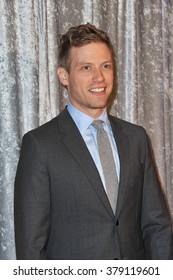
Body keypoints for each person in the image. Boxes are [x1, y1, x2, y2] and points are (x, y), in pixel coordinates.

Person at [14, 23, 173, 260]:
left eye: (106, 66)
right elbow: (31, 248)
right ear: (64, 75)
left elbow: (157, 227)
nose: (99, 77)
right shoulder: (39, 145)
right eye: (86, 67)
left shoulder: (136, 137)